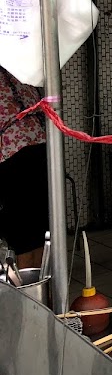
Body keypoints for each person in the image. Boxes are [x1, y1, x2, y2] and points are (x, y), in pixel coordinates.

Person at [0, 67, 48, 269]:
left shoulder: (18, 70)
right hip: (37, 149)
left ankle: (30, 282)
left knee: (25, 233)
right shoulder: (21, 69)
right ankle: (38, 281)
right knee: (36, 230)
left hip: (16, 155)